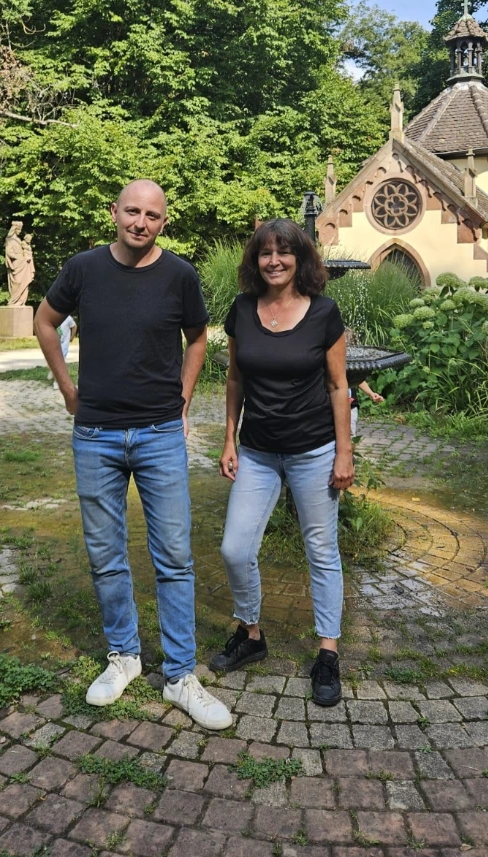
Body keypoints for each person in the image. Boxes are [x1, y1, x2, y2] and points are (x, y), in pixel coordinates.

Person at [34, 180, 232, 730]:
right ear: (114, 213)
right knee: (105, 553)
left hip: (159, 434)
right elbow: (45, 321)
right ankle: (123, 656)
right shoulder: (83, 269)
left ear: (163, 222)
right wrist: (67, 389)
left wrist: (183, 397)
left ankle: (179, 675)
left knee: (174, 557)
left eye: (152, 215)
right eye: (132, 212)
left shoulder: (180, 275)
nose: (140, 223)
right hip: (96, 435)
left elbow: (198, 338)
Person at [210, 219, 354, 707]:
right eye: (265, 253)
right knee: (234, 548)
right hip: (257, 451)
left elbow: (338, 385)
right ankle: (251, 634)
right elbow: (235, 379)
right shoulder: (242, 309)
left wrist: (344, 452)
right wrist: (229, 439)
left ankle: (328, 653)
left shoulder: (324, 313)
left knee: (321, 550)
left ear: (300, 259)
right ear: (255, 260)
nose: (274, 261)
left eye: (284, 252)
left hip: (313, 450)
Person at [47, 315, 77, 389]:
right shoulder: (53, 317)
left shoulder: (68, 318)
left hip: (64, 344)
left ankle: (56, 382)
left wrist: (72, 337)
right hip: (54, 342)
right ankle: (52, 370)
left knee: (59, 362)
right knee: (51, 361)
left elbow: (74, 326)